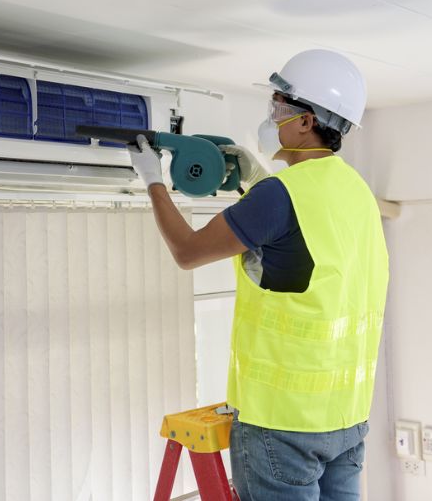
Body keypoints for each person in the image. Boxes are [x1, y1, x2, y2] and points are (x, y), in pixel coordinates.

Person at [128, 49, 389, 501]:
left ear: (307, 122)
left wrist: (151, 179)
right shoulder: (357, 193)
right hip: (346, 420)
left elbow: (188, 252)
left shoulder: (279, 194)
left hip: (281, 426)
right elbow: (299, 251)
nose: (273, 118)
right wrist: (255, 179)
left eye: (279, 107)